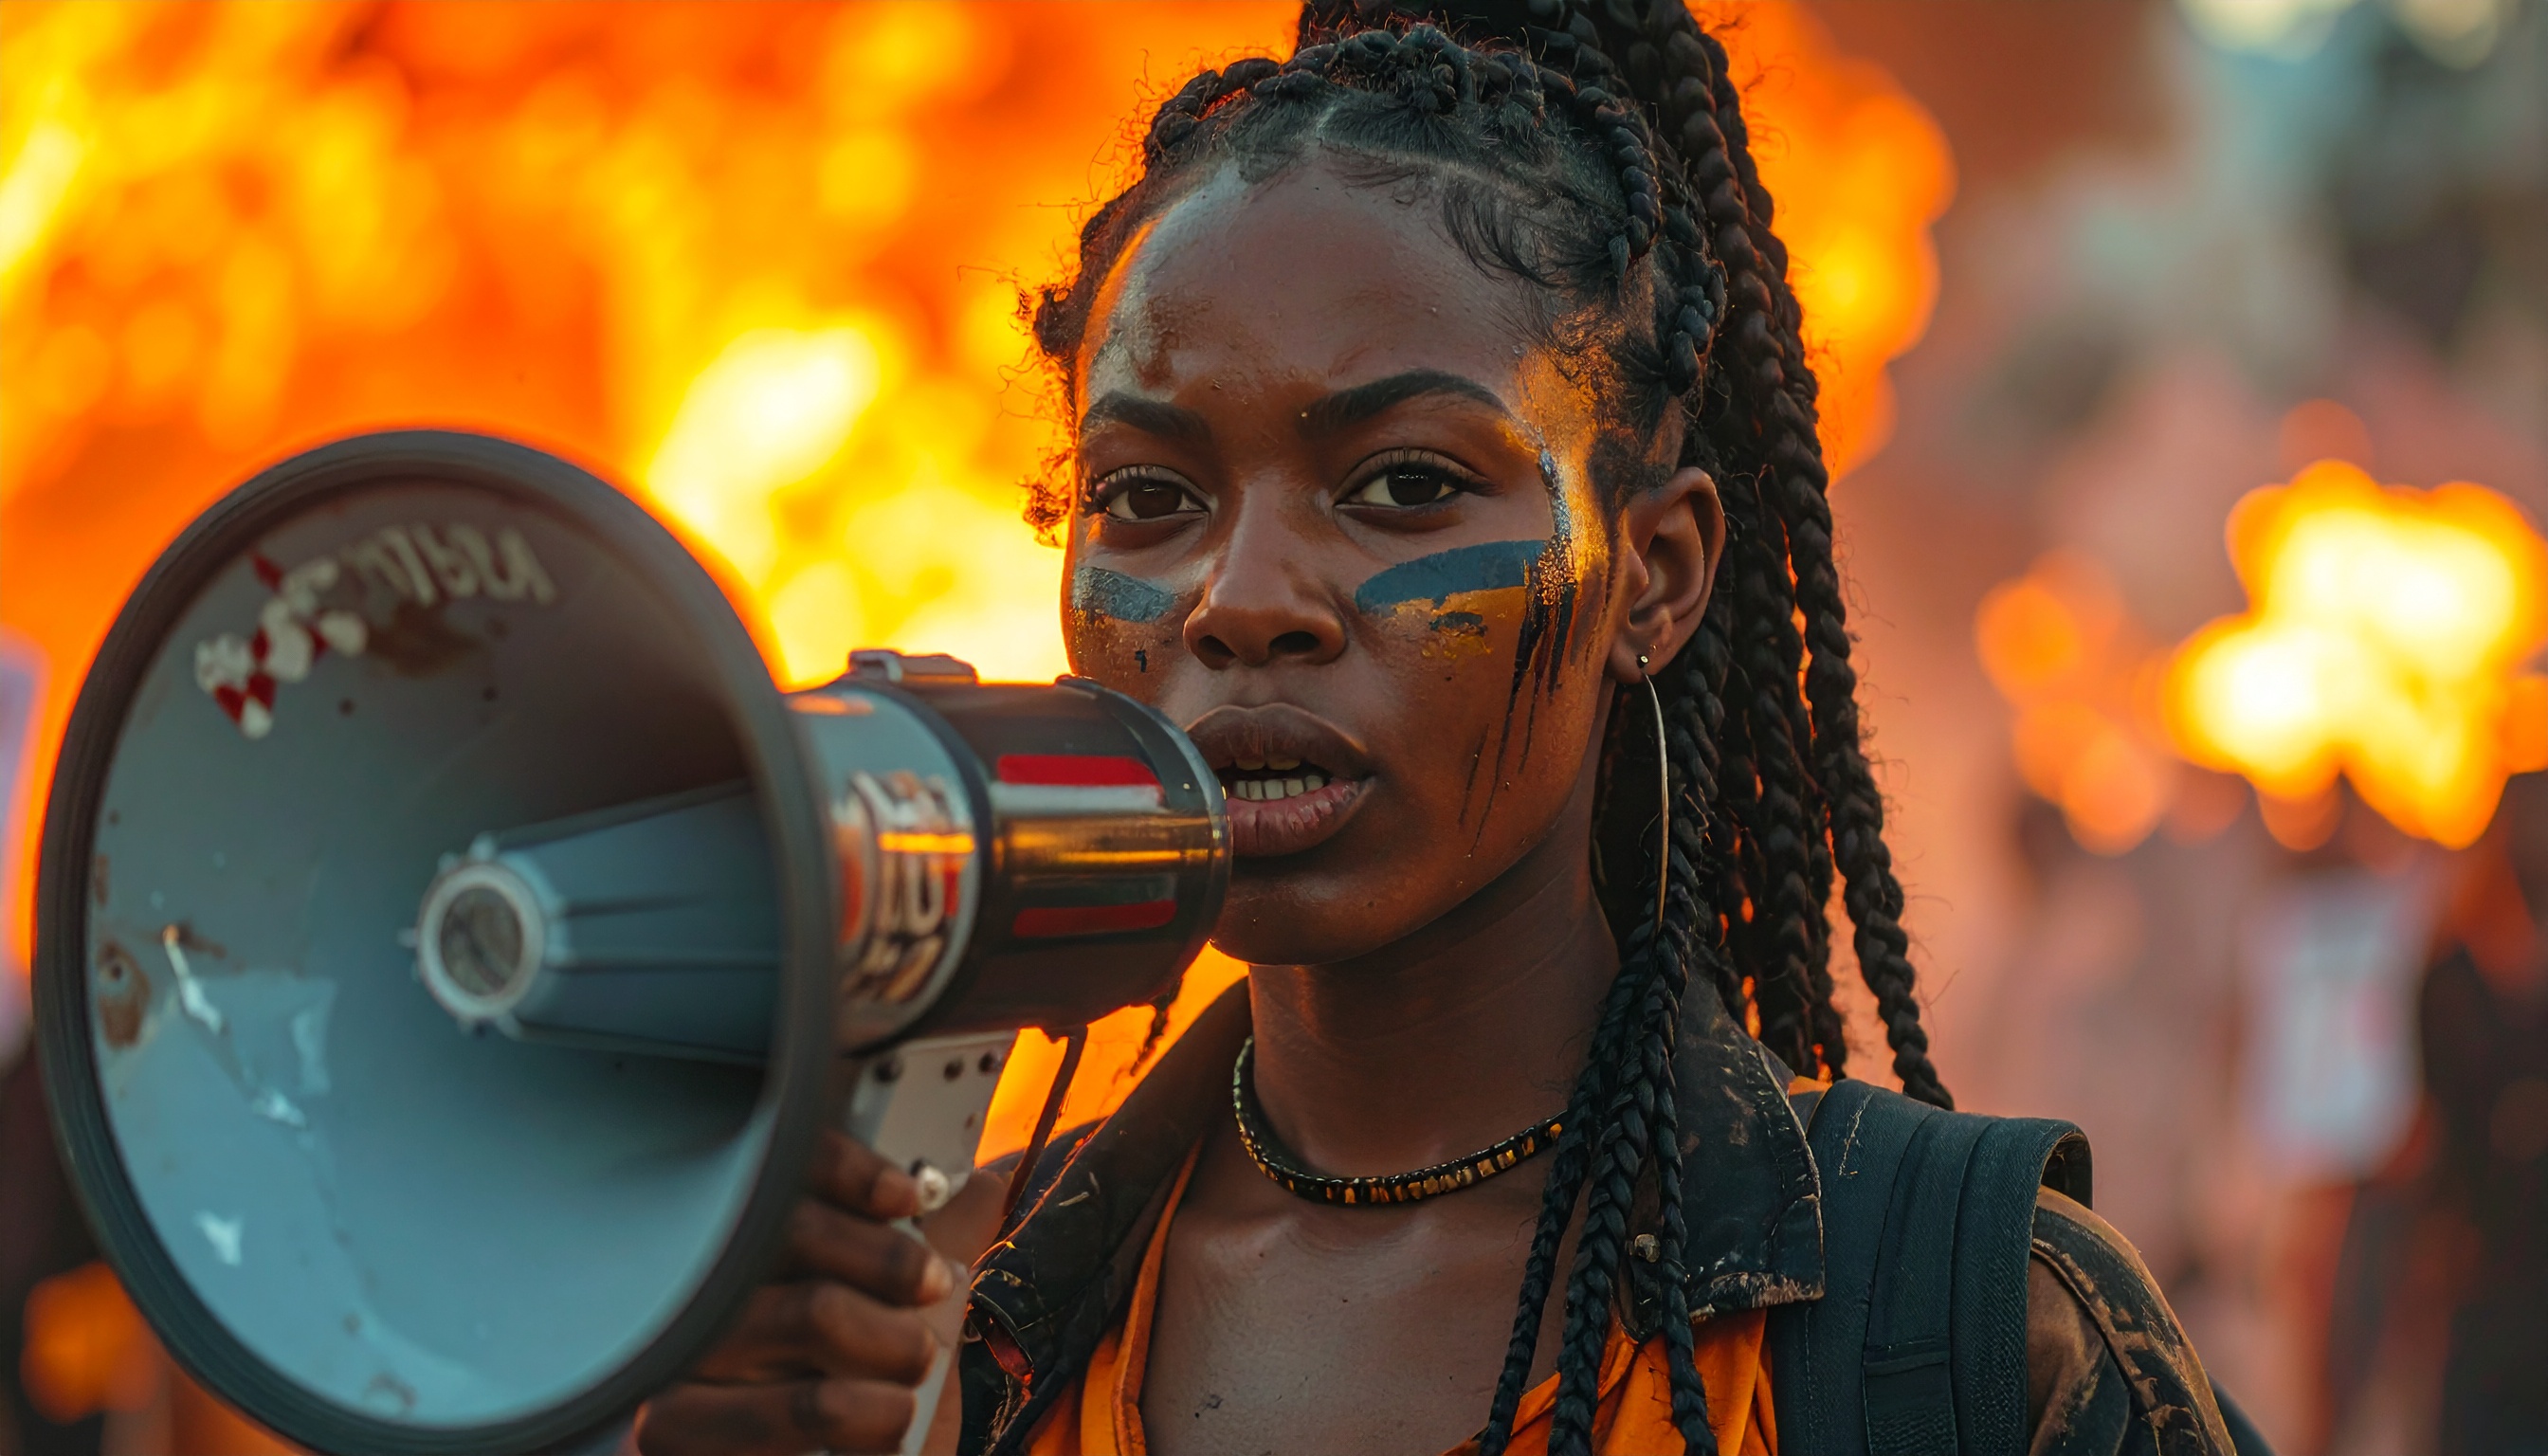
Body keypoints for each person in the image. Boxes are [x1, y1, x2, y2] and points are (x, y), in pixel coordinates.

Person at [641, 4, 2242, 1453]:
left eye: (1405, 483)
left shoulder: (1967, 1329)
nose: (1240, 600)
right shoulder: (944, 1327)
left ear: (1654, 579)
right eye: (1146, 497)